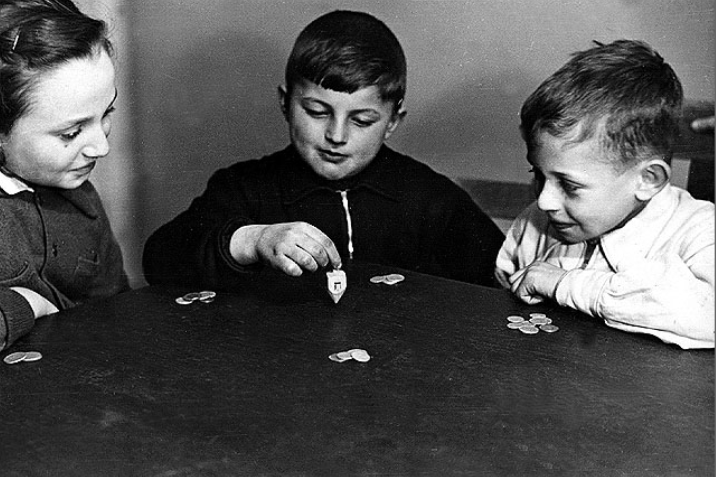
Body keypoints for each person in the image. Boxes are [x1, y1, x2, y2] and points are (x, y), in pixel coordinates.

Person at [143, 10, 504, 289]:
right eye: (317, 112)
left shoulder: (431, 199)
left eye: (362, 121)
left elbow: (501, 277)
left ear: (393, 121)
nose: (336, 135)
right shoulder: (243, 188)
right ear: (285, 103)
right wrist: (252, 241)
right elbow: (159, 260)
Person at [495, 40, 714, 349]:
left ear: (647, 179)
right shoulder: (536, 222)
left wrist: (562, 284)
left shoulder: (701, 229)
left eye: (569, 185)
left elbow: (707, 317)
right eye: (538, 175)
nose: (544, 201)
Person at [0, 0, 129, 350]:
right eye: (71, 133)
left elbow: (117, 311)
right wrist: (25, 305)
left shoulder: (82, 198)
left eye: (107, 113)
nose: (101, 147)